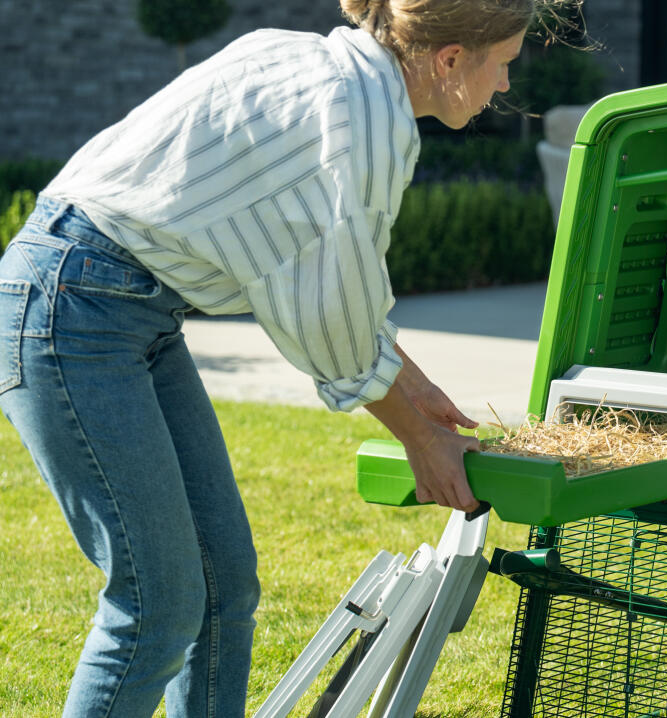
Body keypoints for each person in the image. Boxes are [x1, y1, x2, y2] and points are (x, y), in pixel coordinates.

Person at [0, 0, 567, 715]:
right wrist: (421, 438)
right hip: (73, 309)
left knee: (223, 581)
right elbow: (326, 312)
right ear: (451, 59)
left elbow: (339, 286)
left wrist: (418, 390)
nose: (504, 88)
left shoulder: (333, 75)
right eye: (505, 65)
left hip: (124, 305)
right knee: (159, 605)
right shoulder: (357, 123)